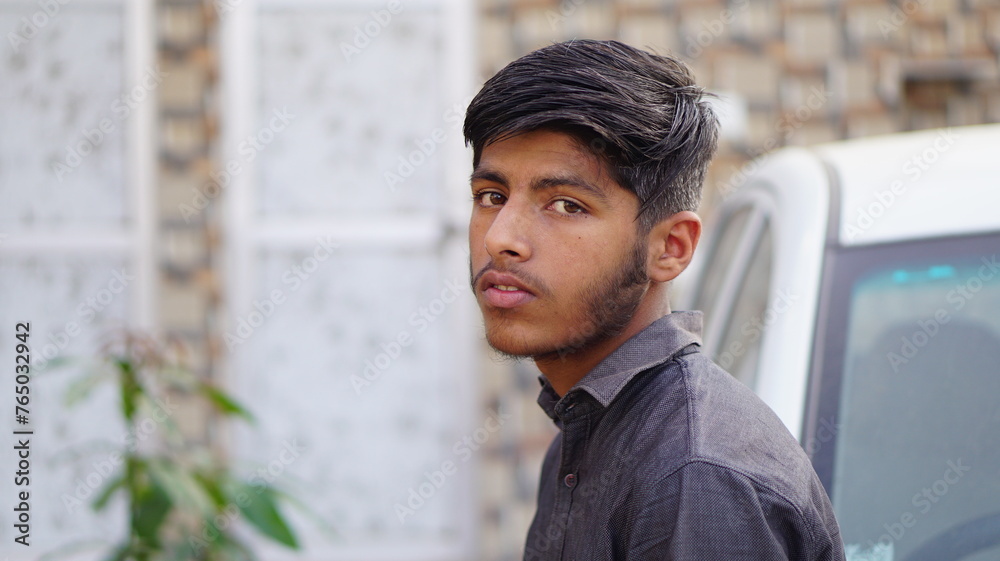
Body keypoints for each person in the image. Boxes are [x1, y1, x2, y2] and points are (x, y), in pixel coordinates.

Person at [463, 40, 845, 560]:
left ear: (670, 248)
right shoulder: (588, 432)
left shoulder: (696, 476)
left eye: (566, 205)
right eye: (491, 196)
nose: (499, 238)